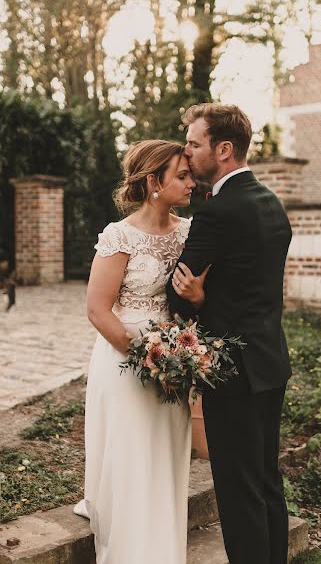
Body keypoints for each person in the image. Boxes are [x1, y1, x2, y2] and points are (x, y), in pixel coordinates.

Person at [166, 103, 293, 564]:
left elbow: (177, 292)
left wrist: (199, 301)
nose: (188, 151)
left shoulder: (217, 212)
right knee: (266, 483)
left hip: (232, 373)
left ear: (223, 149)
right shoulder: (270, 202)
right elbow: (250, 285)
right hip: (270, 362)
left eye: (195, 143)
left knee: (239, 496)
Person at [74, 139, 204, 564]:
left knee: (164, 453)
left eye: (189, 174)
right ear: (154, 182)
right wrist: (148, 355)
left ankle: (162, 543)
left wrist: (196, 305)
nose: (191, 182)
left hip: (175, 355)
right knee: (131, 453)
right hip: (124, 359)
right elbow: (97, 308)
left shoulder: (188, 232)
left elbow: (196, 298)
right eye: (181, 176)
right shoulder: (120, 235)